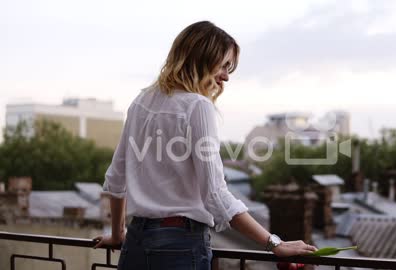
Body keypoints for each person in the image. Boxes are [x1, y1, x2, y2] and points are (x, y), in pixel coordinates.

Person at [93, 21, 317, 270]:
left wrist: (117, 234)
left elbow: (116, 178)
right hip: (179, 244)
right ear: (200, 59)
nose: (226, 76)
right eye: (223, 65)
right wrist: (274, 243)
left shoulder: (140, 102)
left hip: (136, 240)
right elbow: (215, 193)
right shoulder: (197, 106)